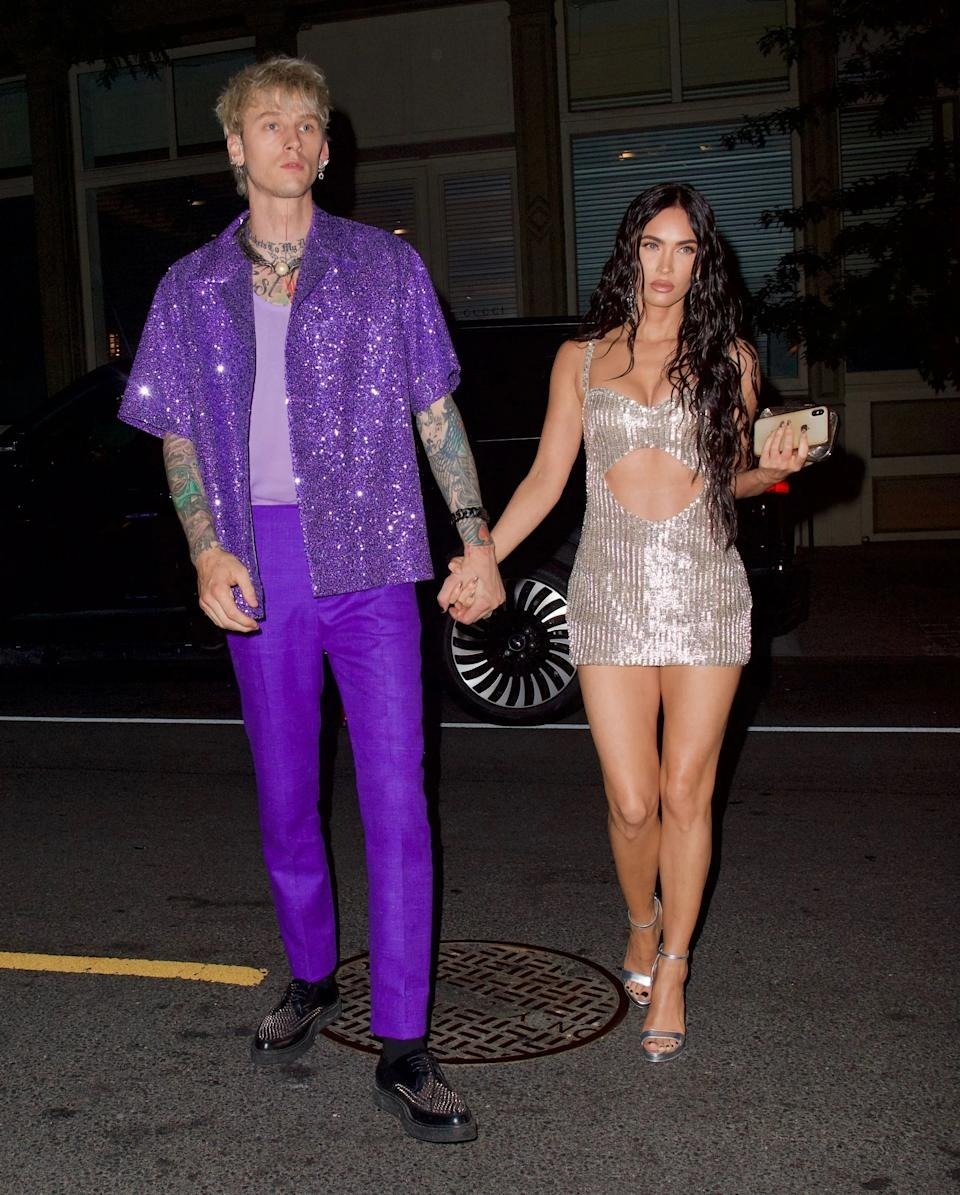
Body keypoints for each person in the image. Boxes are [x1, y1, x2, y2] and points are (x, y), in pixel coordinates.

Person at [120, 55, 503, 1142]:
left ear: (326, 151)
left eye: (306, 124)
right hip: (259, 555)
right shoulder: (190, 286)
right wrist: (205, 551)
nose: (289, 137)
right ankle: (310, 972)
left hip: (375, 553)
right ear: (235, 147)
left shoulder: (385, 267)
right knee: (287, 792)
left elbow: (435, 415)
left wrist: (476, 538)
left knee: (397, 799)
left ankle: (404, 1042)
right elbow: (178, 433)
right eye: (268, 121)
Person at [441, 182, 809, 1062]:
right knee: (633, 801)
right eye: (652, 245)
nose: (666, 266)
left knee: (687, 792)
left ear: (703, 261)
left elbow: (734, 476)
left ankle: (674, 964)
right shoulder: (580, 358)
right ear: (629, 252)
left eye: (685, 248)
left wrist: (776, 466)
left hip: (703, 589)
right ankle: (640, 918)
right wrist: (483, 555)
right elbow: (546, 478)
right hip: (607, 592)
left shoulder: (729, 359)